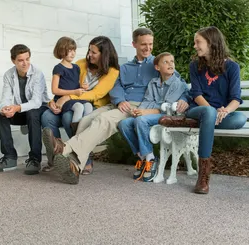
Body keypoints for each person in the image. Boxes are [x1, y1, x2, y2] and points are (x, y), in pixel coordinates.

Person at [43, 28, 189, 184]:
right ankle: (75, 168)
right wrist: (119, 100)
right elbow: (116, 87)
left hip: (138, 107)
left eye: (150, 44)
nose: (148, 48)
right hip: (119, 104)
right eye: (143, 44)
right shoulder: (125, 67)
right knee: (85, 120)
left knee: (103, 120)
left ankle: (64, 149)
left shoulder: (157, 64)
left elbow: (177, 81)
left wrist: (185, 99)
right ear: (134, 44)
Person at [41, 36, 120, 173]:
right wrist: (53, 101)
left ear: (104, 54)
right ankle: (55, 156)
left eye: (94, 52)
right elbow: (64, 84)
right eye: (89, 51)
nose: (89, 55)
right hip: (72, 103)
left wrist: (67, 97)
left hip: (92, 105)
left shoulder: (113, 71)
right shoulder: (80, 64)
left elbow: (96, 94)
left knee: (68, 118)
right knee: (47, 116)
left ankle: (81, 158)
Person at [186, 26, 247, 194]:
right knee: (209, 112)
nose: (195, 46)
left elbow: (236, 98)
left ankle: (204, 123)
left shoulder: (232, 67)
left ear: (211, 43)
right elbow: (196, 95)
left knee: (240, 119)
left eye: (198, 42)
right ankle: (203, 176)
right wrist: (212, 111)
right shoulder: (195, 66)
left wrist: (225, 111)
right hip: (198, 109)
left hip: (219, 114)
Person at [117, 52, 189, 182]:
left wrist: (145, 113)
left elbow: (167, 107)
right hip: (152, 114)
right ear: (157, 68)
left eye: (172, 61)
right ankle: (145, 157)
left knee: (141, 120)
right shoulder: (153, 83)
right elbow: (147, 100)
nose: (170, 64)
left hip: (169, 116)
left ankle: (150, 160)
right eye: (165, 62)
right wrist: (139, 110)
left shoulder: (177, 84)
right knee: (124, 124)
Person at [0, 44, 50, 175]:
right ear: (13, 61)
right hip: (22, 109)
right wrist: (5, 109)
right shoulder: (8, 75)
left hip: (40, 109)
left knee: (32, 114)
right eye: (21, 60)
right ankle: (10, 157)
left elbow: (36, 102)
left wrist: (16, 108)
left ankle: (35, 159)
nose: (25, 63)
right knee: (0, 116)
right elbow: (5, 97)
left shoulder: (37, 74)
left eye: (27, 59)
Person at [51, 37, 93, 124]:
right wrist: (74, 92)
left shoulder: (76, 67)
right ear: (61, 51)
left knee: (88, 106)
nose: (73, 53)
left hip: (74, 97)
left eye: (74, 50)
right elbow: (54, 90)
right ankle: (76, 132)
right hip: (63, 99)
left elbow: (75, 84)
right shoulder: (58, 68)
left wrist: (82, 87)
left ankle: (86, 130)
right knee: (79, 107)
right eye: (70, 50)